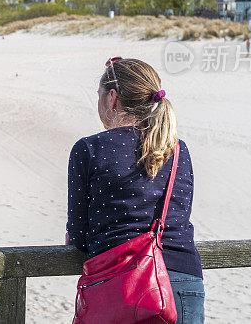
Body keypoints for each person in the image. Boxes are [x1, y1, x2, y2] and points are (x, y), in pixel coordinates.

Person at [66, 57, 204, 323]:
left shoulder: (89, 149)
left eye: (100, 95)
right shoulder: (178, 149)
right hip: (184, 281)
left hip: (123, 286)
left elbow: (81, 237)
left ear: (112, 98)